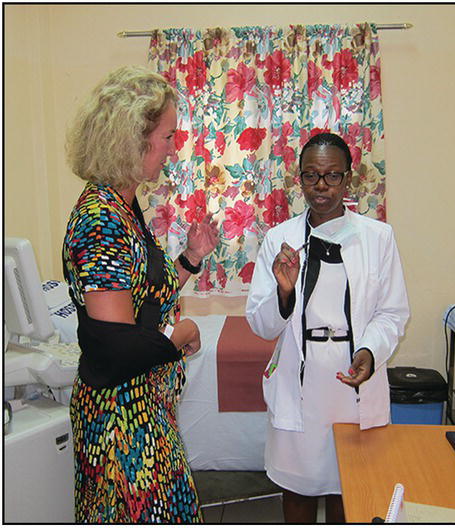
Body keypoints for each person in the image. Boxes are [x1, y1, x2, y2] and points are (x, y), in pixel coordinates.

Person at [62, 65, 219, 523]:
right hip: (120, 421)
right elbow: (115, 348)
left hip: (143, 406)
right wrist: (181, 333)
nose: (174, 149)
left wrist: (191, 258)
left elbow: (142, 300)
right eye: (168, 137)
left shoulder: (124, 205)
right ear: (132, 138)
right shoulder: (102, 220)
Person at [246, 133, 409, 523]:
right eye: (311, 175)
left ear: (348, 179)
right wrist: (284, 294)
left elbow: (393, 313)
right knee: (298, 493)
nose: (321, 186)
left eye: (332, 176)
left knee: (349, 491)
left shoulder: (378, 238)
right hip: (301, 386)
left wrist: (369, 352)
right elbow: (261, 324)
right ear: (299, 179)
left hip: (353, 380)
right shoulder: (279, 239)